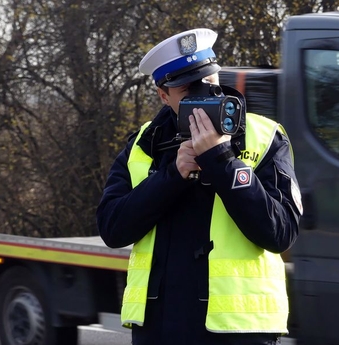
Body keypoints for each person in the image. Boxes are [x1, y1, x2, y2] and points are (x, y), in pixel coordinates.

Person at [96, 28, 303, 345]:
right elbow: (112, 229)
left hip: (239, 332)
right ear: (163, 96)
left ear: (217, 75)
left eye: (207, 83)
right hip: (162, 328)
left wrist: (222, 160)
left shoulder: (264, 137)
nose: (201, 97)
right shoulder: (145, 144)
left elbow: (280, 232)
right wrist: (172, 175)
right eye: (186, 91)